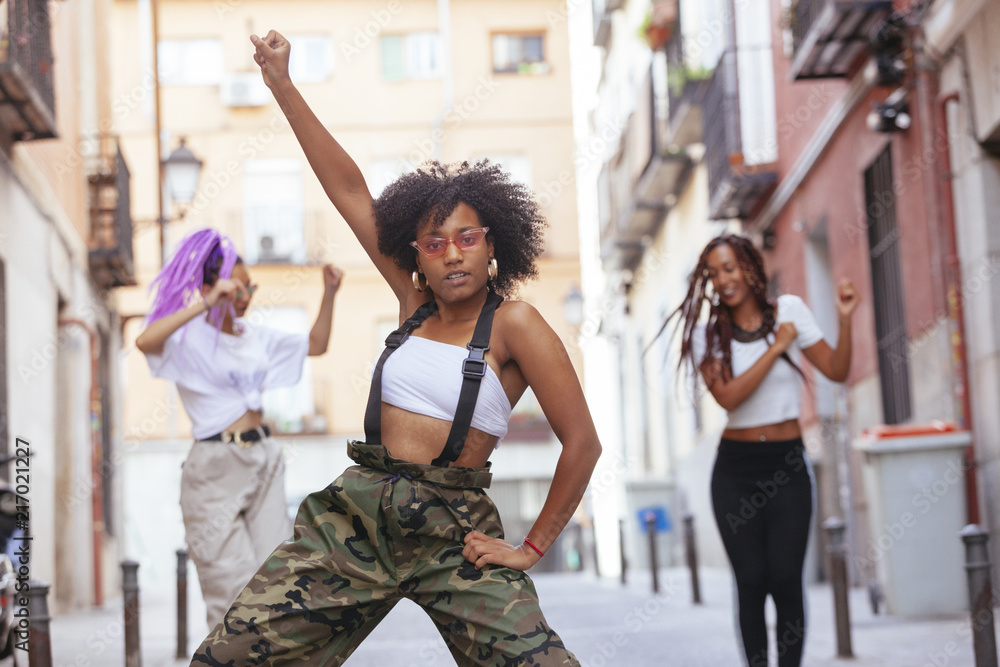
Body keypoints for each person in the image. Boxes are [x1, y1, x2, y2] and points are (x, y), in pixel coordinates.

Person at [188, 30, 602, 667]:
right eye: (434, 244)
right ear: (419, 259)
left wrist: (532, 545)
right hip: (356, 518)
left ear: (494, 247)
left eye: (467, 237)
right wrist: (283, 87)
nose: (452, 253)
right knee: (230, 658)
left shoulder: (516, 325)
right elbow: (350, 190)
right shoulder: (414, 306)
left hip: (453, 531)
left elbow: (582, 441)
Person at [665, 234, 858, 667]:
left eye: (730, 268)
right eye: (714, 273)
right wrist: (776, 347)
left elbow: (837, 370)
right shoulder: (707, 335)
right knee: (750, 580)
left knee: (788, 579)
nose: (723, 280)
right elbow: (730, 397)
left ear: (751, 266)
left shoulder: (789, 311)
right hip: (735, 470)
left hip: (787, 462)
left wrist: (845, 320)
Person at [135, 228, 343, 628]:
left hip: (263, 457)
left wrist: (330, 292)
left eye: (251, 288)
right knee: (229, 594)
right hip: (215, 468)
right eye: (238, 290)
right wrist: (205, 305)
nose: (247, 298)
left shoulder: (254, 336)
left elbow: (315, 344)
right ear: (214, 288)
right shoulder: (188, 335)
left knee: (276, 580)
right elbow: (146, 341)